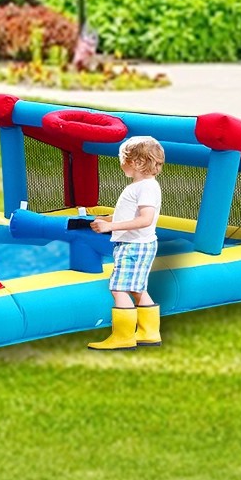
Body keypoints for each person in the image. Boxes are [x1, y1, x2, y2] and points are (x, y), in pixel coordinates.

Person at [87, 134, 165, 350]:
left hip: (133, 246)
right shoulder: (144, 186)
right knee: (137, 289)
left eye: (123, 159)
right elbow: (132, 215)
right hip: (140, 245)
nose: (121, 163)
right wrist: (108, 219)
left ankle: (123, 337)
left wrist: (110, 227)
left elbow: (145, 219)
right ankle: (149, 332)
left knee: (118, 288)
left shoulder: (145, 187)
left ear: (137, 162)